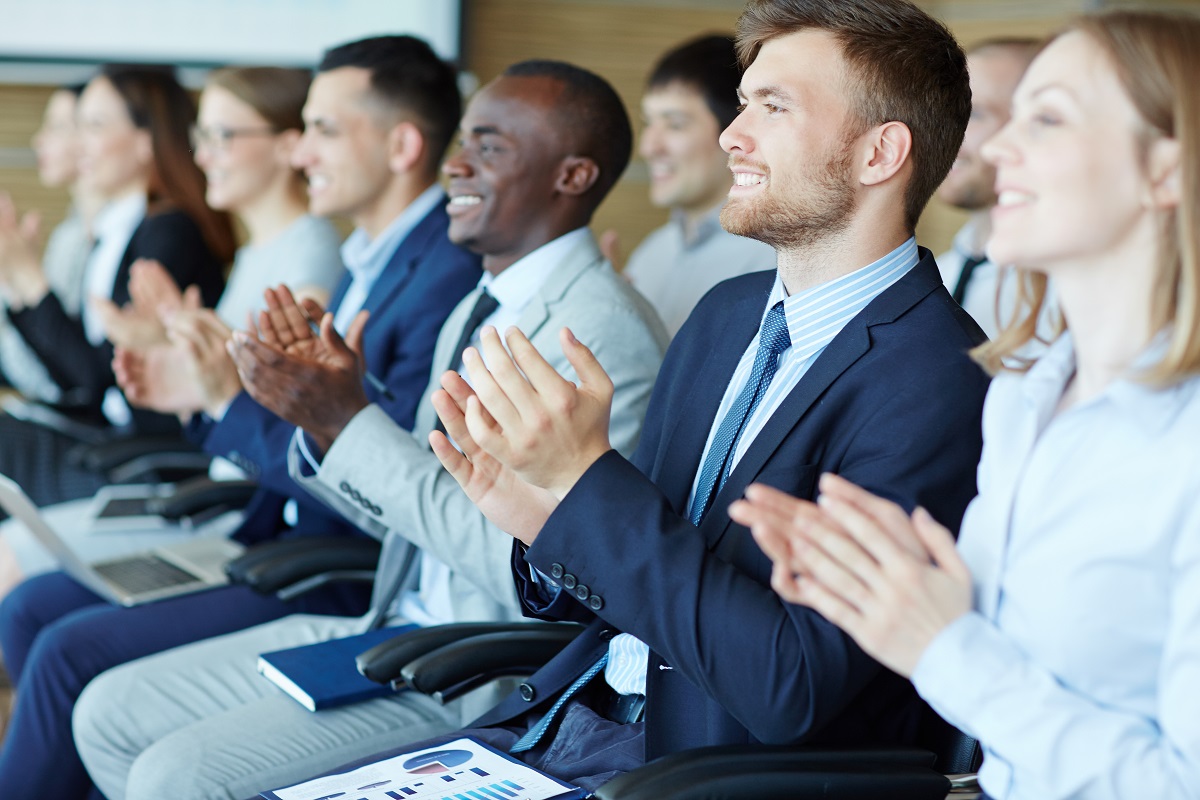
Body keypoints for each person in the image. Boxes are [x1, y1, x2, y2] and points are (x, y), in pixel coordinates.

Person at [256, 0, 991, 793]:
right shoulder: (728, 315)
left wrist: (585, 484)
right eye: (744, 105)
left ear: (880, 152)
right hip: (573, 719)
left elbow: (790, 685)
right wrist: (547, 526)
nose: (731, 136)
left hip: (694, 771)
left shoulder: (938, 379)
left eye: (772, 107)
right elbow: (643, 568)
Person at [73, 60, 668, 800]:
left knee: (176, 774)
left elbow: (545, 580)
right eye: (462, 142)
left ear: (573, 174)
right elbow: (404, 511)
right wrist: (322, 421)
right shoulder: (483, 303)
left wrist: (351, 424)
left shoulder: (600, 333)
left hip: (478, 669)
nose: (455, 164)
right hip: (391, 623)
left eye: (491, 146)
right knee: (108, 711)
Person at [0, 35, 481, 800]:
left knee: (64, 651)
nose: (300, 150)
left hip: (330, 564)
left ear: (402, 145)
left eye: (321, 130)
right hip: (276, 528)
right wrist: (197, 388)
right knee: (53, 634)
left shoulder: (432, 274)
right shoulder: (372, 260)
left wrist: (217, 395)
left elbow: (376, 478)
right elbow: (305, 427)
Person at [736, 10, 1200, 800]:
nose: (995, 150)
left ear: (1168, 170)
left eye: (1047, 118)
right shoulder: (1024, 397)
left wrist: (940, 643)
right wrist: (874, 587)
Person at [0, 66, 346, 591]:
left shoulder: (310, 252)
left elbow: (278, 403)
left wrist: (178, 348)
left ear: (286, 146)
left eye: (222, 137)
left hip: (235, 497)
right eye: (201, 138)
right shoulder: (259, 250)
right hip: (213, 472)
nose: (203, 155)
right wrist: (168, 346)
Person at [0, 65, 234, 510]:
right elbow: (73, 373)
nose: (78, 142)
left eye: (94, 126)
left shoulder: (168, 232)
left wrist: (30, 280)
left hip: (145, 453)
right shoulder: (114, 232)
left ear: (146, 142)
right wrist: (18, 283)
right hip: (106, 436)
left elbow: (94, 376)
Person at [621, 34, 775, 335]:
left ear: (736, 132)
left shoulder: (772, 260)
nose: (649, 147)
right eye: (649, 123)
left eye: (675, 124)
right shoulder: (652, 252)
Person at [0, 84, 102, 404]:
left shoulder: (116, 236)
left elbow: (76, 378)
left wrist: (27, 280)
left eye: (56, 127)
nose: (39, 140)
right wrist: (14, 286)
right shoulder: (68, 236)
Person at [935, 38, 1038, 338]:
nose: (947, 136)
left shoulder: (1063, 294)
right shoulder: (941, 273)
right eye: (947, 113)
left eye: (975, 114)